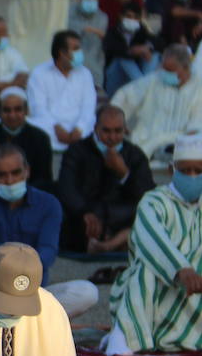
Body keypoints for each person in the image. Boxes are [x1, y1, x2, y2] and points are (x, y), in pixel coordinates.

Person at [105, 132, 202, 356]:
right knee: (146, 267)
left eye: (199, 170)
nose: (192, 176)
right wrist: (181, 270)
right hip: (159, 292)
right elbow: (151, 241)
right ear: (171, 170)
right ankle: (125, 336)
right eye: (185, 170)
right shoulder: (153, 201)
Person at [0, 145, 98, 318]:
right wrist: (8, 262)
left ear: (27, 171)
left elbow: (48, 250)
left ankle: (19, 318)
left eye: (15, 173)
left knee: (87, 292)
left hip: (30, 288)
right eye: (2, 175)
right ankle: (8, 319)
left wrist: (23, 271)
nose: (10, 180)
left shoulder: (48, 204)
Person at [55, 104, 156, 253]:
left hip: (121, 215)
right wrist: (84, 211)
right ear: (96, 128)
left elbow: (147, 194)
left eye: (118, 131)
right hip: (87, 213)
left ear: (125, 130)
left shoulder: (135, 154)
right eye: (107, 131)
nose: (112, 137)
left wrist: (124, 173)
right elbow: (66, 187)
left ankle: (109, 245)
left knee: (147, 214)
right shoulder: (77, 151)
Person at [112, 44, 202, 162]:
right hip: (144, 145)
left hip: (180, 149)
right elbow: (125, 96)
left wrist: (163, 143)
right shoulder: (154, 79)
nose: (165, 73)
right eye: (164, 68)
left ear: (186, 68)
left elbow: (196, 127)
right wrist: (118, 121)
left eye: (170, 70)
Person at [27, 31, 97, 156]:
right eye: (75, 49)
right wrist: (56, 128)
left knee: (94, 124)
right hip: (50, 126)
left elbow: (89, 105)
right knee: (34, 126)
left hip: (79, 127)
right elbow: (38, 108)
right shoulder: (39, 73)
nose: (80, 53)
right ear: (62, 53)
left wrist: (79, 128)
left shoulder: (85, 73)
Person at [0, 87, 56, 193]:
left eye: (17, 109)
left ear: (26, 111)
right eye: (7, 110)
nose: (12, 115)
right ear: (0, 111)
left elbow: (44, 179)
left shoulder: (40, 138)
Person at [102, 0, 158, 95]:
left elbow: (159, 43)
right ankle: (144, 86)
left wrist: (146, 48)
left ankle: (144, 85)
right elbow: (116, 50)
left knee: (154, 54)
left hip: (133, 76)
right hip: (115, 76)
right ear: (121, 16)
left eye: (135, 18)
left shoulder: (141, 30)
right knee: (122, 59)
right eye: (128, 16)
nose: (132, 20)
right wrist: (134, 51)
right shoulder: (112, 31)